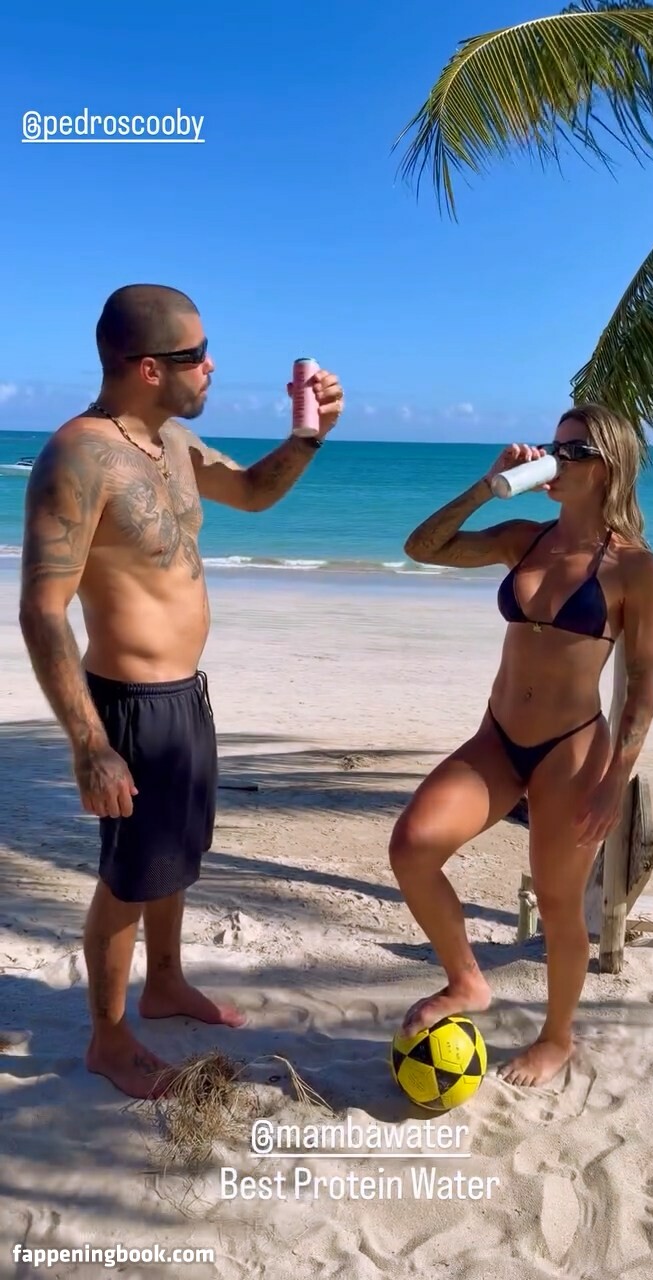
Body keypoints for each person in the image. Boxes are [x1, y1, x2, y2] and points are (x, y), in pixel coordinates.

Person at [18, 284, 344, 1099]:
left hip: (186, 695)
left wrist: (308, 437)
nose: (212, 366)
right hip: (128, 706)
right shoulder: (76, 456)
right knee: (129, 878)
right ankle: (107, 1038)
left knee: (176, 857)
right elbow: (43, 611)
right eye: (197, 354)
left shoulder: (173, 442)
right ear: (148, 367)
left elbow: (255, 492)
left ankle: (163, 983)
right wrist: (90, 745)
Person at [389, 405, 653, 1086]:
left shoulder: (634, 567)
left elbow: (643, 688)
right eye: (552, 446)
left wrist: (615, 780)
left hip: (572, 751)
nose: (553, 460)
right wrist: (488, 486)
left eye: (571, 452)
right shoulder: (523, 539)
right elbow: (422, 547)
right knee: (412, 846)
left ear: (606, 467)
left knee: (559, 904)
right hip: (497, 738)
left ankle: (557, 1038)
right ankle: (466, 981)